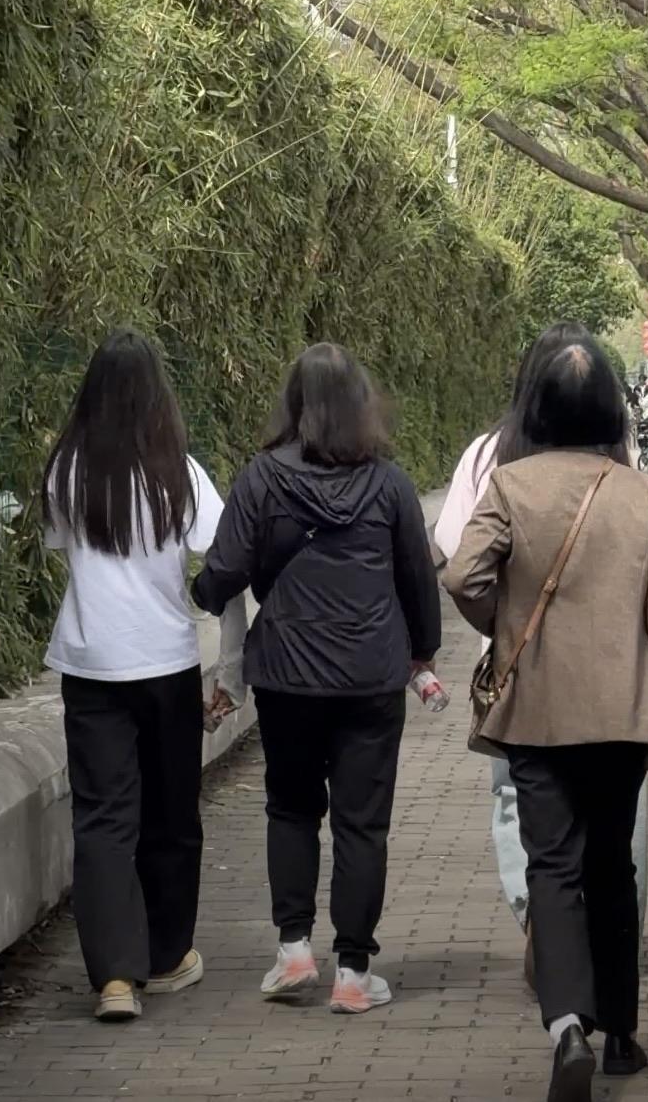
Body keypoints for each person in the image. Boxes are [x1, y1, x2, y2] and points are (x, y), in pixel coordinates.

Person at [445, 338, 648, 1102]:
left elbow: (463, 573)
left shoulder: (510, 485)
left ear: (536, 408)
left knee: (552, 868)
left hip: (536, 716)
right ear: (610, 410)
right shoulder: (644, 495)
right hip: (624, 717)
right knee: (612, 867)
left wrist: (503, 618)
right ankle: (622, 1030)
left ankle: (566, 1025)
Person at [193, 341, 441, 1015]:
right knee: (364, 824)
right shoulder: (389, 483)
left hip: (289, 678)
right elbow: (419, 578)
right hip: (370, 676)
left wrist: (203, 589)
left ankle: (295, 948)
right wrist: (422, 650)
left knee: (292, 807)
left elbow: (224, 571)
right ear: (361, 403)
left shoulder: (261, 479)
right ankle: (354, 972)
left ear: (295, 403)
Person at [42, 329, 248, 1023]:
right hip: (165, 661)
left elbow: (61, 544)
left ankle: (114, 978)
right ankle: (166, 955)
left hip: (90, 662)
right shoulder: (178, 472)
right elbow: (223, 558)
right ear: (157, 394)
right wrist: (231, 664)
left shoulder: (66, 471)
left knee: (102, 818)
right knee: (169, 812)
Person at [433, 325, 648, 973]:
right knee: (620, 815)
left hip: (519, 669)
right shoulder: (619, 454)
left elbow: (452, 552)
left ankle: (543, 918)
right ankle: (610, 940)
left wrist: (502, 621)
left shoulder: (484, 456)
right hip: (612, 667)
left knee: (515, 800)